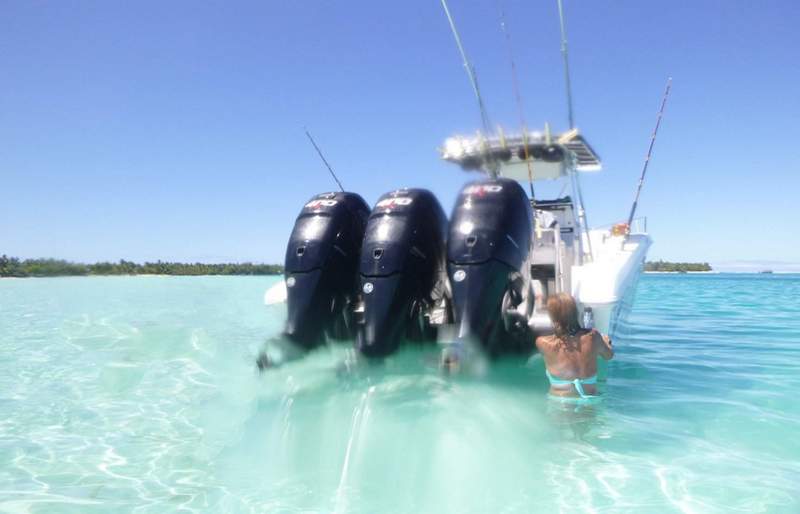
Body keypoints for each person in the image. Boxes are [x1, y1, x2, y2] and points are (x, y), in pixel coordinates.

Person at [535, 293, 614, 399]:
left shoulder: (542, 343)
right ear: (575, 312)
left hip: (559, 403)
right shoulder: (593, 337)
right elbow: (609, 356)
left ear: (553, 317)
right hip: (589, 402)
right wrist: (606, 342)